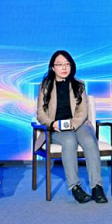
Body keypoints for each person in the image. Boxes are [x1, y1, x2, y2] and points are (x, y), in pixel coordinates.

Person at [36, 50, 107, 204]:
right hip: (56, 127)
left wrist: (72, 125)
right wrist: (52, 124)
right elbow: (40, 113)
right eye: (59, 64)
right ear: (53, 67)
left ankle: (97, 186)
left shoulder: (79, 85)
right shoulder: (45, 86)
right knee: (69, 141)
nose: (64, 67)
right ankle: (75, 187)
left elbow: (82, 111)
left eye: (67, 64)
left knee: (89, 140)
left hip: (78, 124)